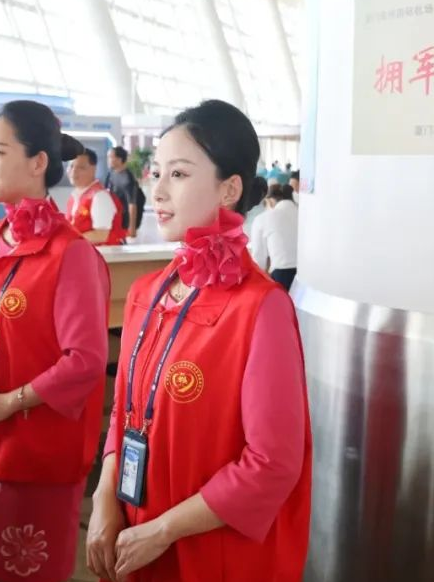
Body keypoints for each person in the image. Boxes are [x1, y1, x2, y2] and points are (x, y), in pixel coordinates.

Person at [86, 100, 312, 582]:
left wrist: (164, 530)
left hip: (209, 548)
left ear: (229, 189)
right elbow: (125, 409)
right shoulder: (147, 294)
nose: (158, 190)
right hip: (136, 531)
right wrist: (104, 495)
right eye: (157, 172)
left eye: (179, 174)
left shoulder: (261, 308)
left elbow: (272, 463)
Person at [0, 100, 110, 582]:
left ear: (38, 162)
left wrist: (9, 402)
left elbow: (84, 360)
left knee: (33, 570)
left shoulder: (70, 253)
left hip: (41, 449)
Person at [66, 148, 126, 246]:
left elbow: (101, 235)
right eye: (71, 166)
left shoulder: (100, 197)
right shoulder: (75, 196)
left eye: (81, 167)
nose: (74, 171)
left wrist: (68, 241)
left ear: (93, 170)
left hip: (103, 253)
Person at [250, 184, 299, 291]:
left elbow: (258, 259)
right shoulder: (302, 213)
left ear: (270, 201)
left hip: (282, 276)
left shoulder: (263, 218)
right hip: (307, 274)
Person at [105, 146, 143, 238]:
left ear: (119, 159)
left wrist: (132, 228)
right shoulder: (111, 173)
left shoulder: (127, 179)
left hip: (124, 222)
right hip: (113, 219)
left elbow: (132, 204)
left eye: (111, 157)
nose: (108, 160)